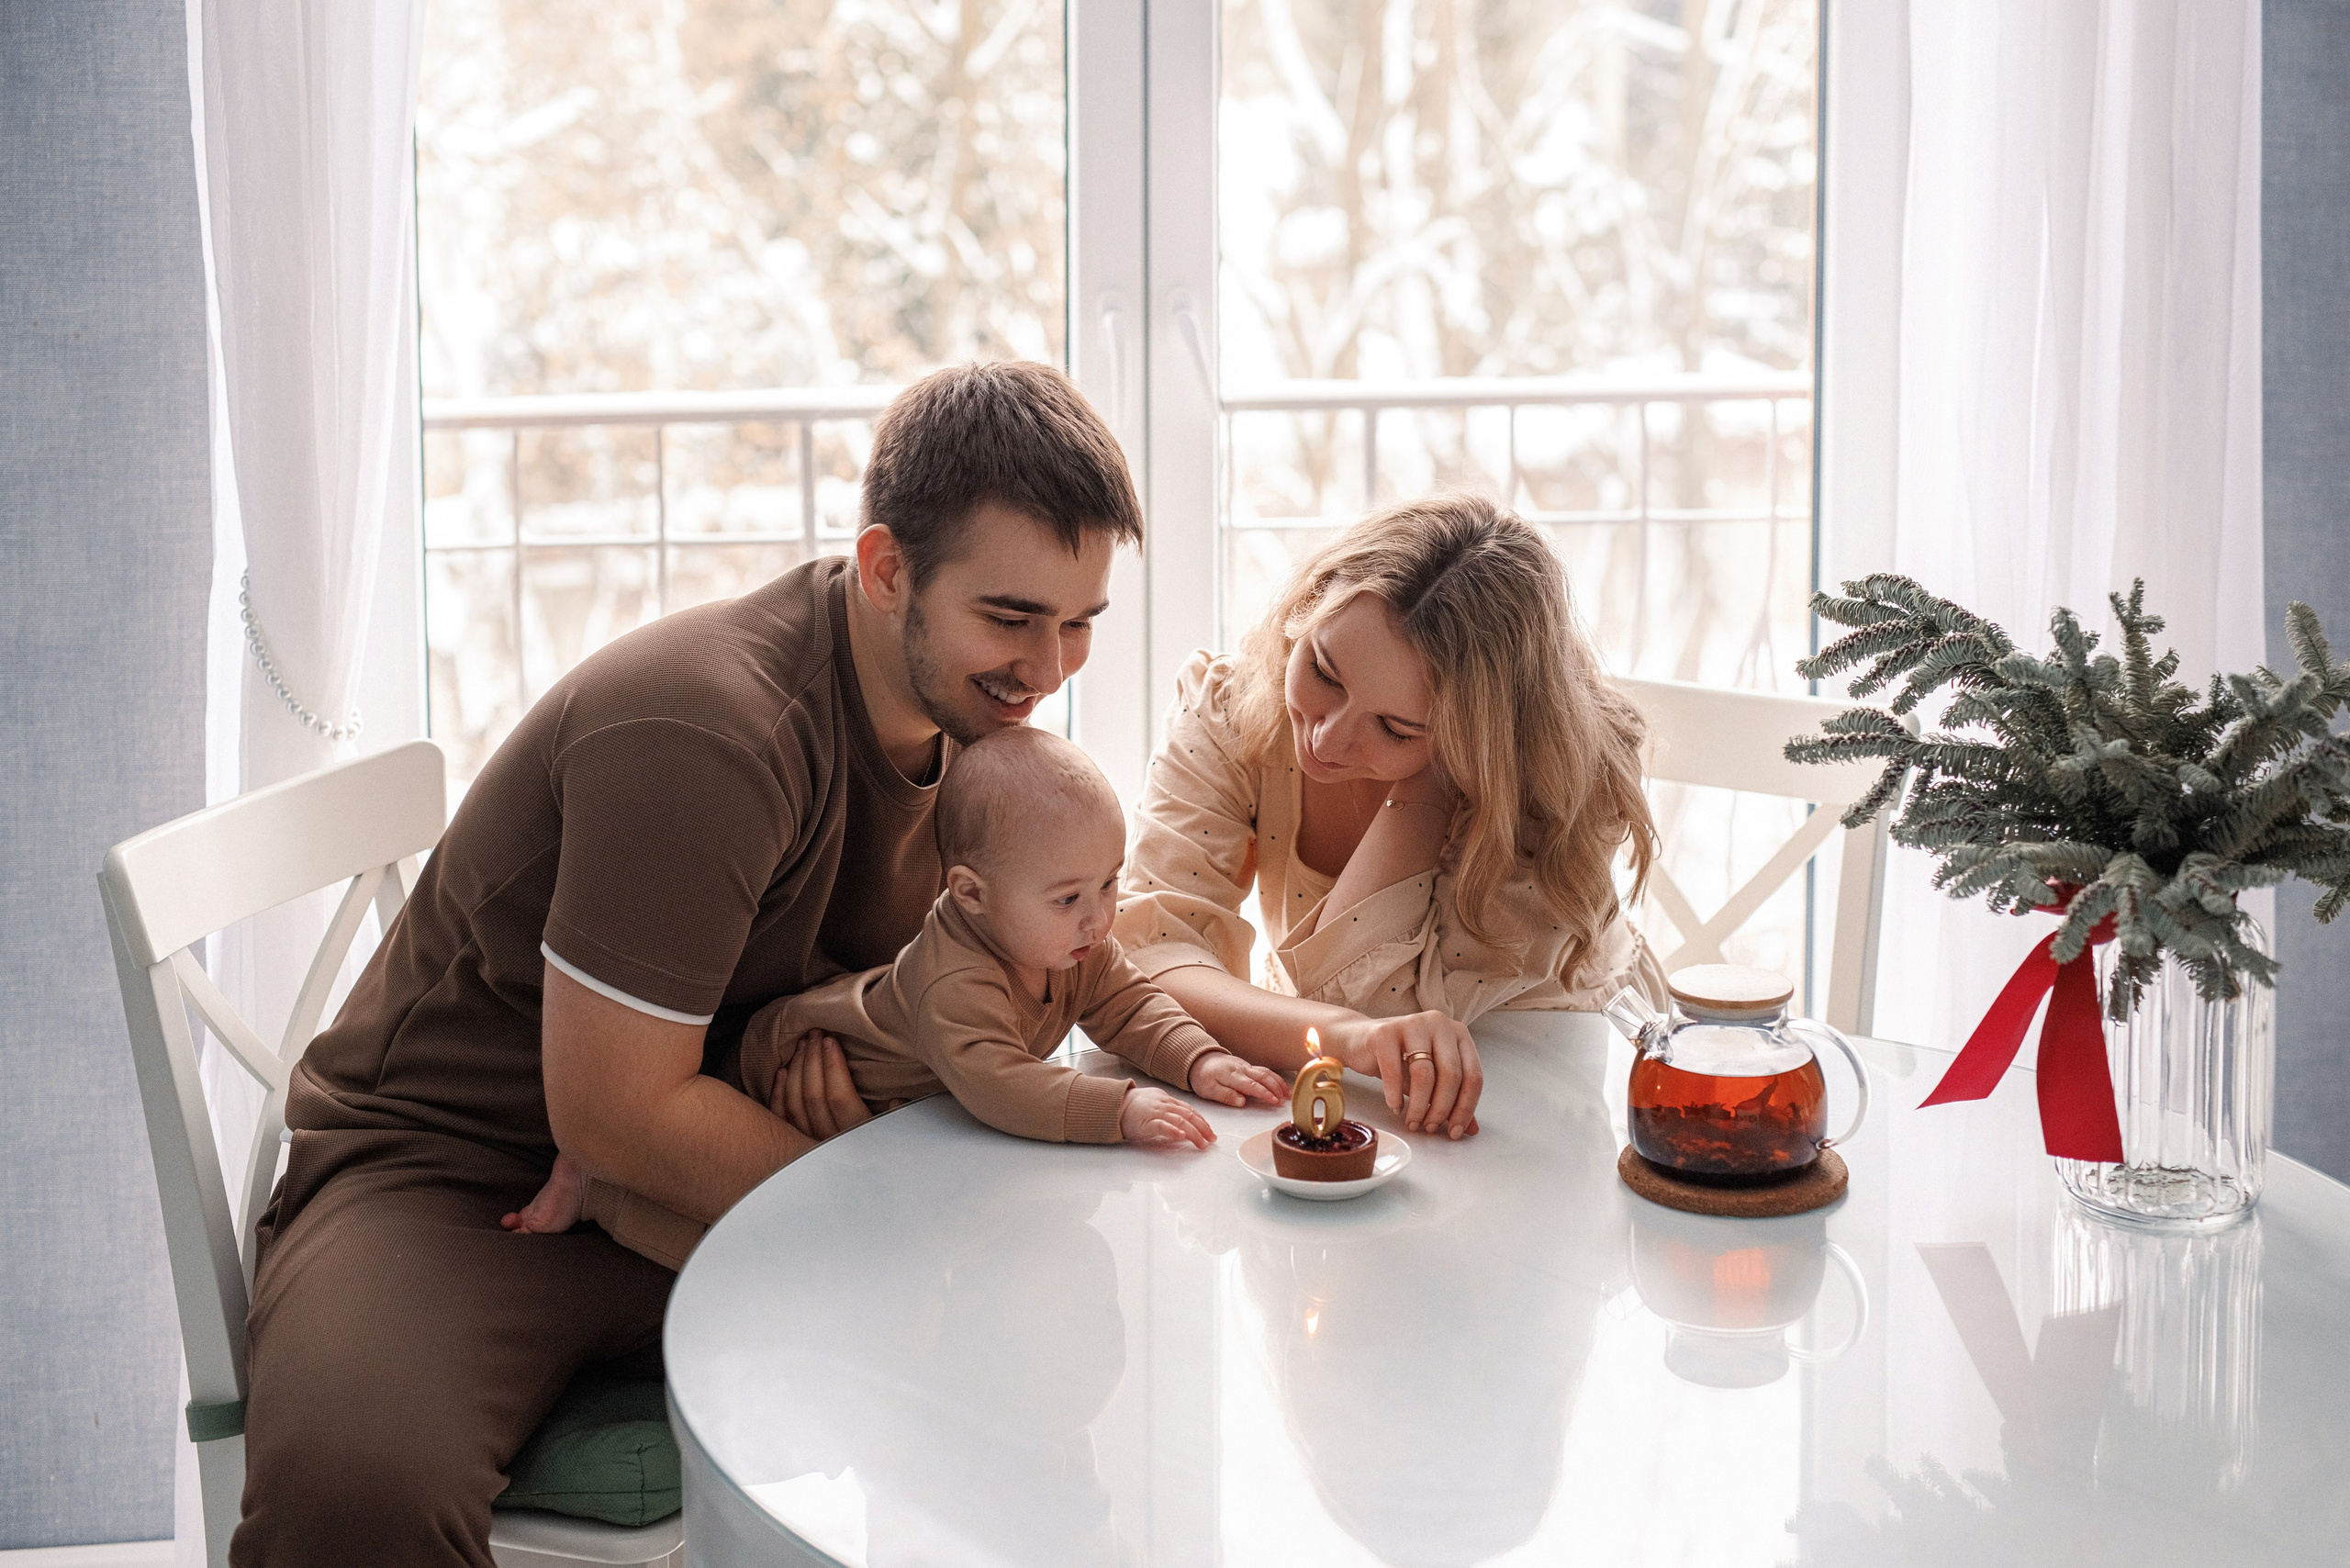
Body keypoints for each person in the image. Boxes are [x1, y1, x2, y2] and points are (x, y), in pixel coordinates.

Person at [230, 363, 1143, 1568]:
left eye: (1080, 623)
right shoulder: (705, 734)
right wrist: (869, 1198)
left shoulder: (980, 745)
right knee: (358, 1490)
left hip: (712, 1162)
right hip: (462, 1183)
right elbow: (615, 1115)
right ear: (886, 571)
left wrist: (843, 1060)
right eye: (1012, 618)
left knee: (1043, 1346)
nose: (1050, 667)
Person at [506, 726, 1289, 1267]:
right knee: (759, 1240)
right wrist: (1120, 1110)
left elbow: (1130, 1004)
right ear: (971, 894)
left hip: (886, 1107)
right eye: (1068, 898)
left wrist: (1197, 1059)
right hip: (779, 1073)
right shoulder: (957, 979)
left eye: (1111, 884)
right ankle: (603, 1191)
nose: (1099, 917)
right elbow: (1000, 1083)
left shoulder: (1072, 942)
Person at [1114, 492, 1668, 1144]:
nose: (1325, 740)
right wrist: (1343, 1035)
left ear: (1476, 738)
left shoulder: (1551, 782)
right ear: (1309, 606)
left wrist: (1426, 787)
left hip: (1560, 1071)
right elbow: (1149, 959)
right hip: (1349, 1083)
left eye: (1396, 727)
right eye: (1324, 671)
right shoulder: (1232, 708)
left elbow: (1388, 1012)